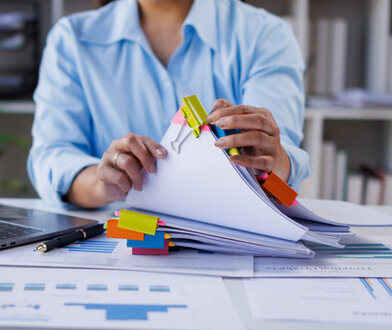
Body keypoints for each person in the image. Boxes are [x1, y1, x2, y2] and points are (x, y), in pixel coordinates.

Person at [28, 0, 308, 208]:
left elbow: (282, 163)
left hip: (236, 239)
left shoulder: (266, 35)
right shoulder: (72, 39)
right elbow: (52, 157)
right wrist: (101, 183)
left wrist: (276, 159)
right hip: (117, 237)